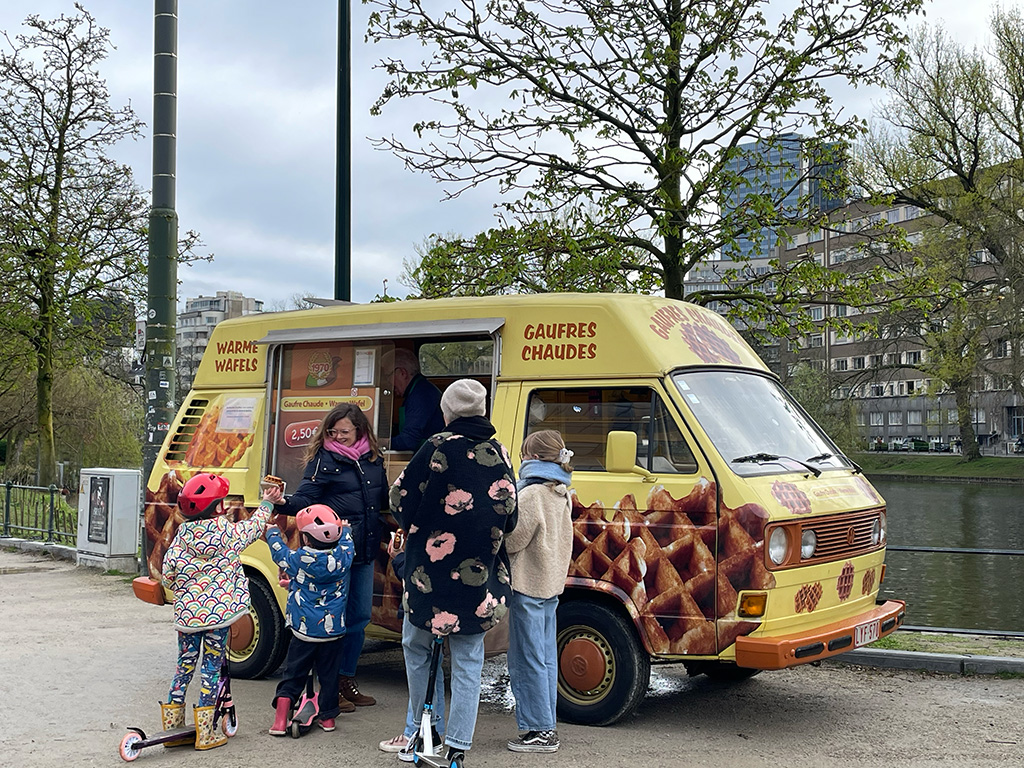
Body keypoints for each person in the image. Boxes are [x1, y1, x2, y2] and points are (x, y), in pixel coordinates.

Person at [386, 378, 518, 768]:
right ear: (481, 411)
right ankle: (458, 745)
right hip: (479, 577)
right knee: (468, 659)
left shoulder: (436, 447)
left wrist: (418, 525)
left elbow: (400, 498)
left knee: (417, 648)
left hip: (429, 573)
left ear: (447, 412)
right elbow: (510, 516)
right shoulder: (501, 453)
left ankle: (427, 733)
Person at [273, 402, 388, 711]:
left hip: (362, 549)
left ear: (360, 431)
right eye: (333, 431)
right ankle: (329, 685)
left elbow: (383, 501)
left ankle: (344, 679)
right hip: (332, 553)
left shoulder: (375, 460)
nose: (338, 436)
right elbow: (305, 499)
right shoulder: (324, 459)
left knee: (359, 618)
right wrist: (282, 501)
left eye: (344, 432)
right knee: (331, 621)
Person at [161, 472, 277, 751]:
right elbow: (252, 528)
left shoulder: (181, 537)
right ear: (219, 508)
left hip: (188, 619)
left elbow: (167, 577)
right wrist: (267, 504)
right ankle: (206, 731)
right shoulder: (227, 532)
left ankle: (172, 725)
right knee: (211, 670)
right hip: (218, 618)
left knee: (184, 666)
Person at [504, 430, 574, 753]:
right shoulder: (561, 492)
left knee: (526, 658)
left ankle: (539, 730)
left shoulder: (531, 495)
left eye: (524, 453)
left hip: (528, 584)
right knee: (545, 658)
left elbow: (514, 540)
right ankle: (548, 724)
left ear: (533, 457)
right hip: (551, 585)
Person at [267, 504, 355, 735]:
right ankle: (328, 720)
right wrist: (345, 530)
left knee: (294, 673)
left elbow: (279, 553)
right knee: (329, 677)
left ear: (305, 539)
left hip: (303, 632)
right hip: (332, 633)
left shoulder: (299, 558)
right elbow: (347, 542)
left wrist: (272, 532)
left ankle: (279, 720)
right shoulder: (344, 557)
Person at [381, 347, 445, 452]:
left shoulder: (421, 395)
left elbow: (408, 441)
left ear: (402, 373)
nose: (388, 382)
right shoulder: (418, 390)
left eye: (388, 376)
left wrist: (379, 442)